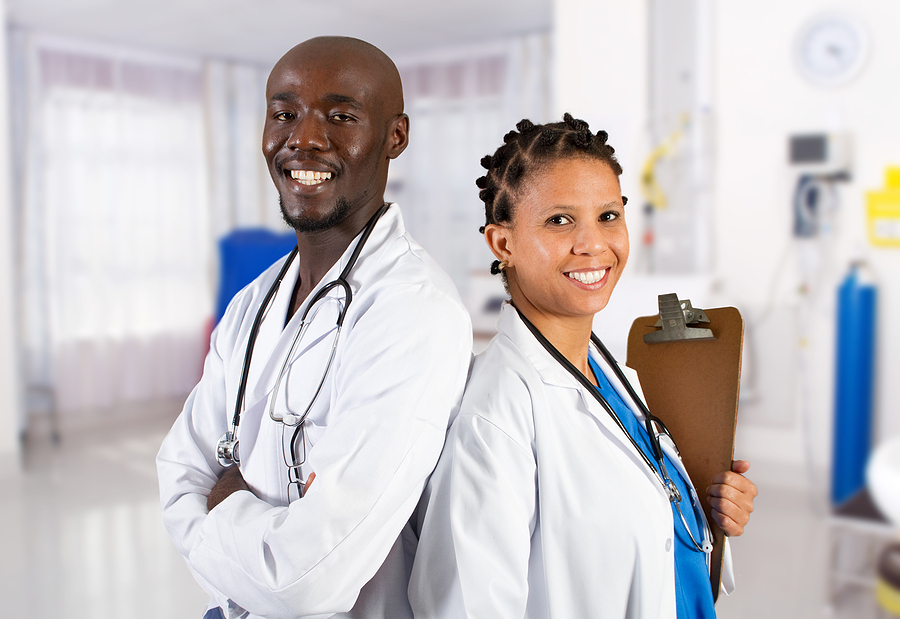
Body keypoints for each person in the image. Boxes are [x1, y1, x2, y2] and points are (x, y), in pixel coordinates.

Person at [156, 37, 472, 619]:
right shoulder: (254, 304)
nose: (303, 138)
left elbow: (307, 584)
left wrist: (223, 509)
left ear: (395, 136)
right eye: (284, 114)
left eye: (341, 116)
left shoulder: (412, 312)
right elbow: (178, 471)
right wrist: (264, 544)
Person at [408, 114, 757, 618]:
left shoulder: (612, 372)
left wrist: (703, 511)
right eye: (559, 220)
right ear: (502, 244)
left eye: (608, 216)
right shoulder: (494, 418)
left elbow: (645, 545)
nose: (593, 243)